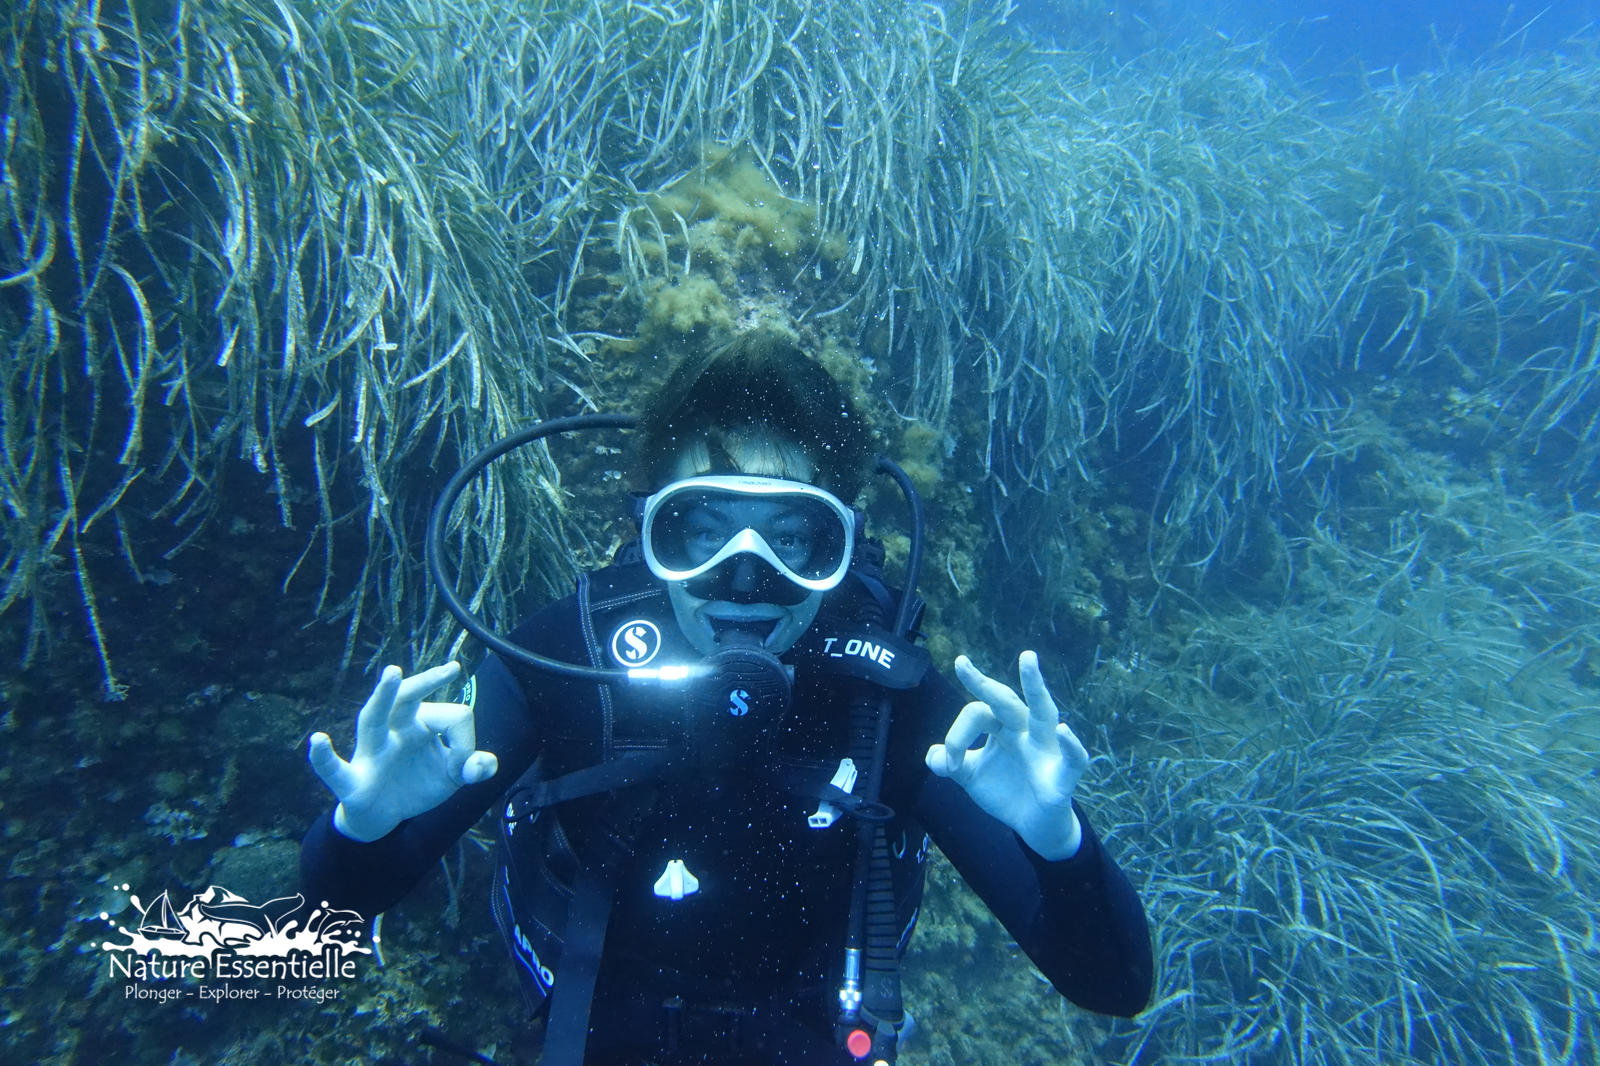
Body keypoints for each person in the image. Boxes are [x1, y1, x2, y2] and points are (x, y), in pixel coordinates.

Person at [301, 331, 1152, 1065]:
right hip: (589, 1025)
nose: (745, 580)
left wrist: (1058, 842)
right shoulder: (564, 659)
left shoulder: (888, 701)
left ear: (840, 544)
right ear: (651, 530)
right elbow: (323, 922)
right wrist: (363, 827)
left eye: (793, 539)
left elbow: (1113, 985)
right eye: (703, 532)